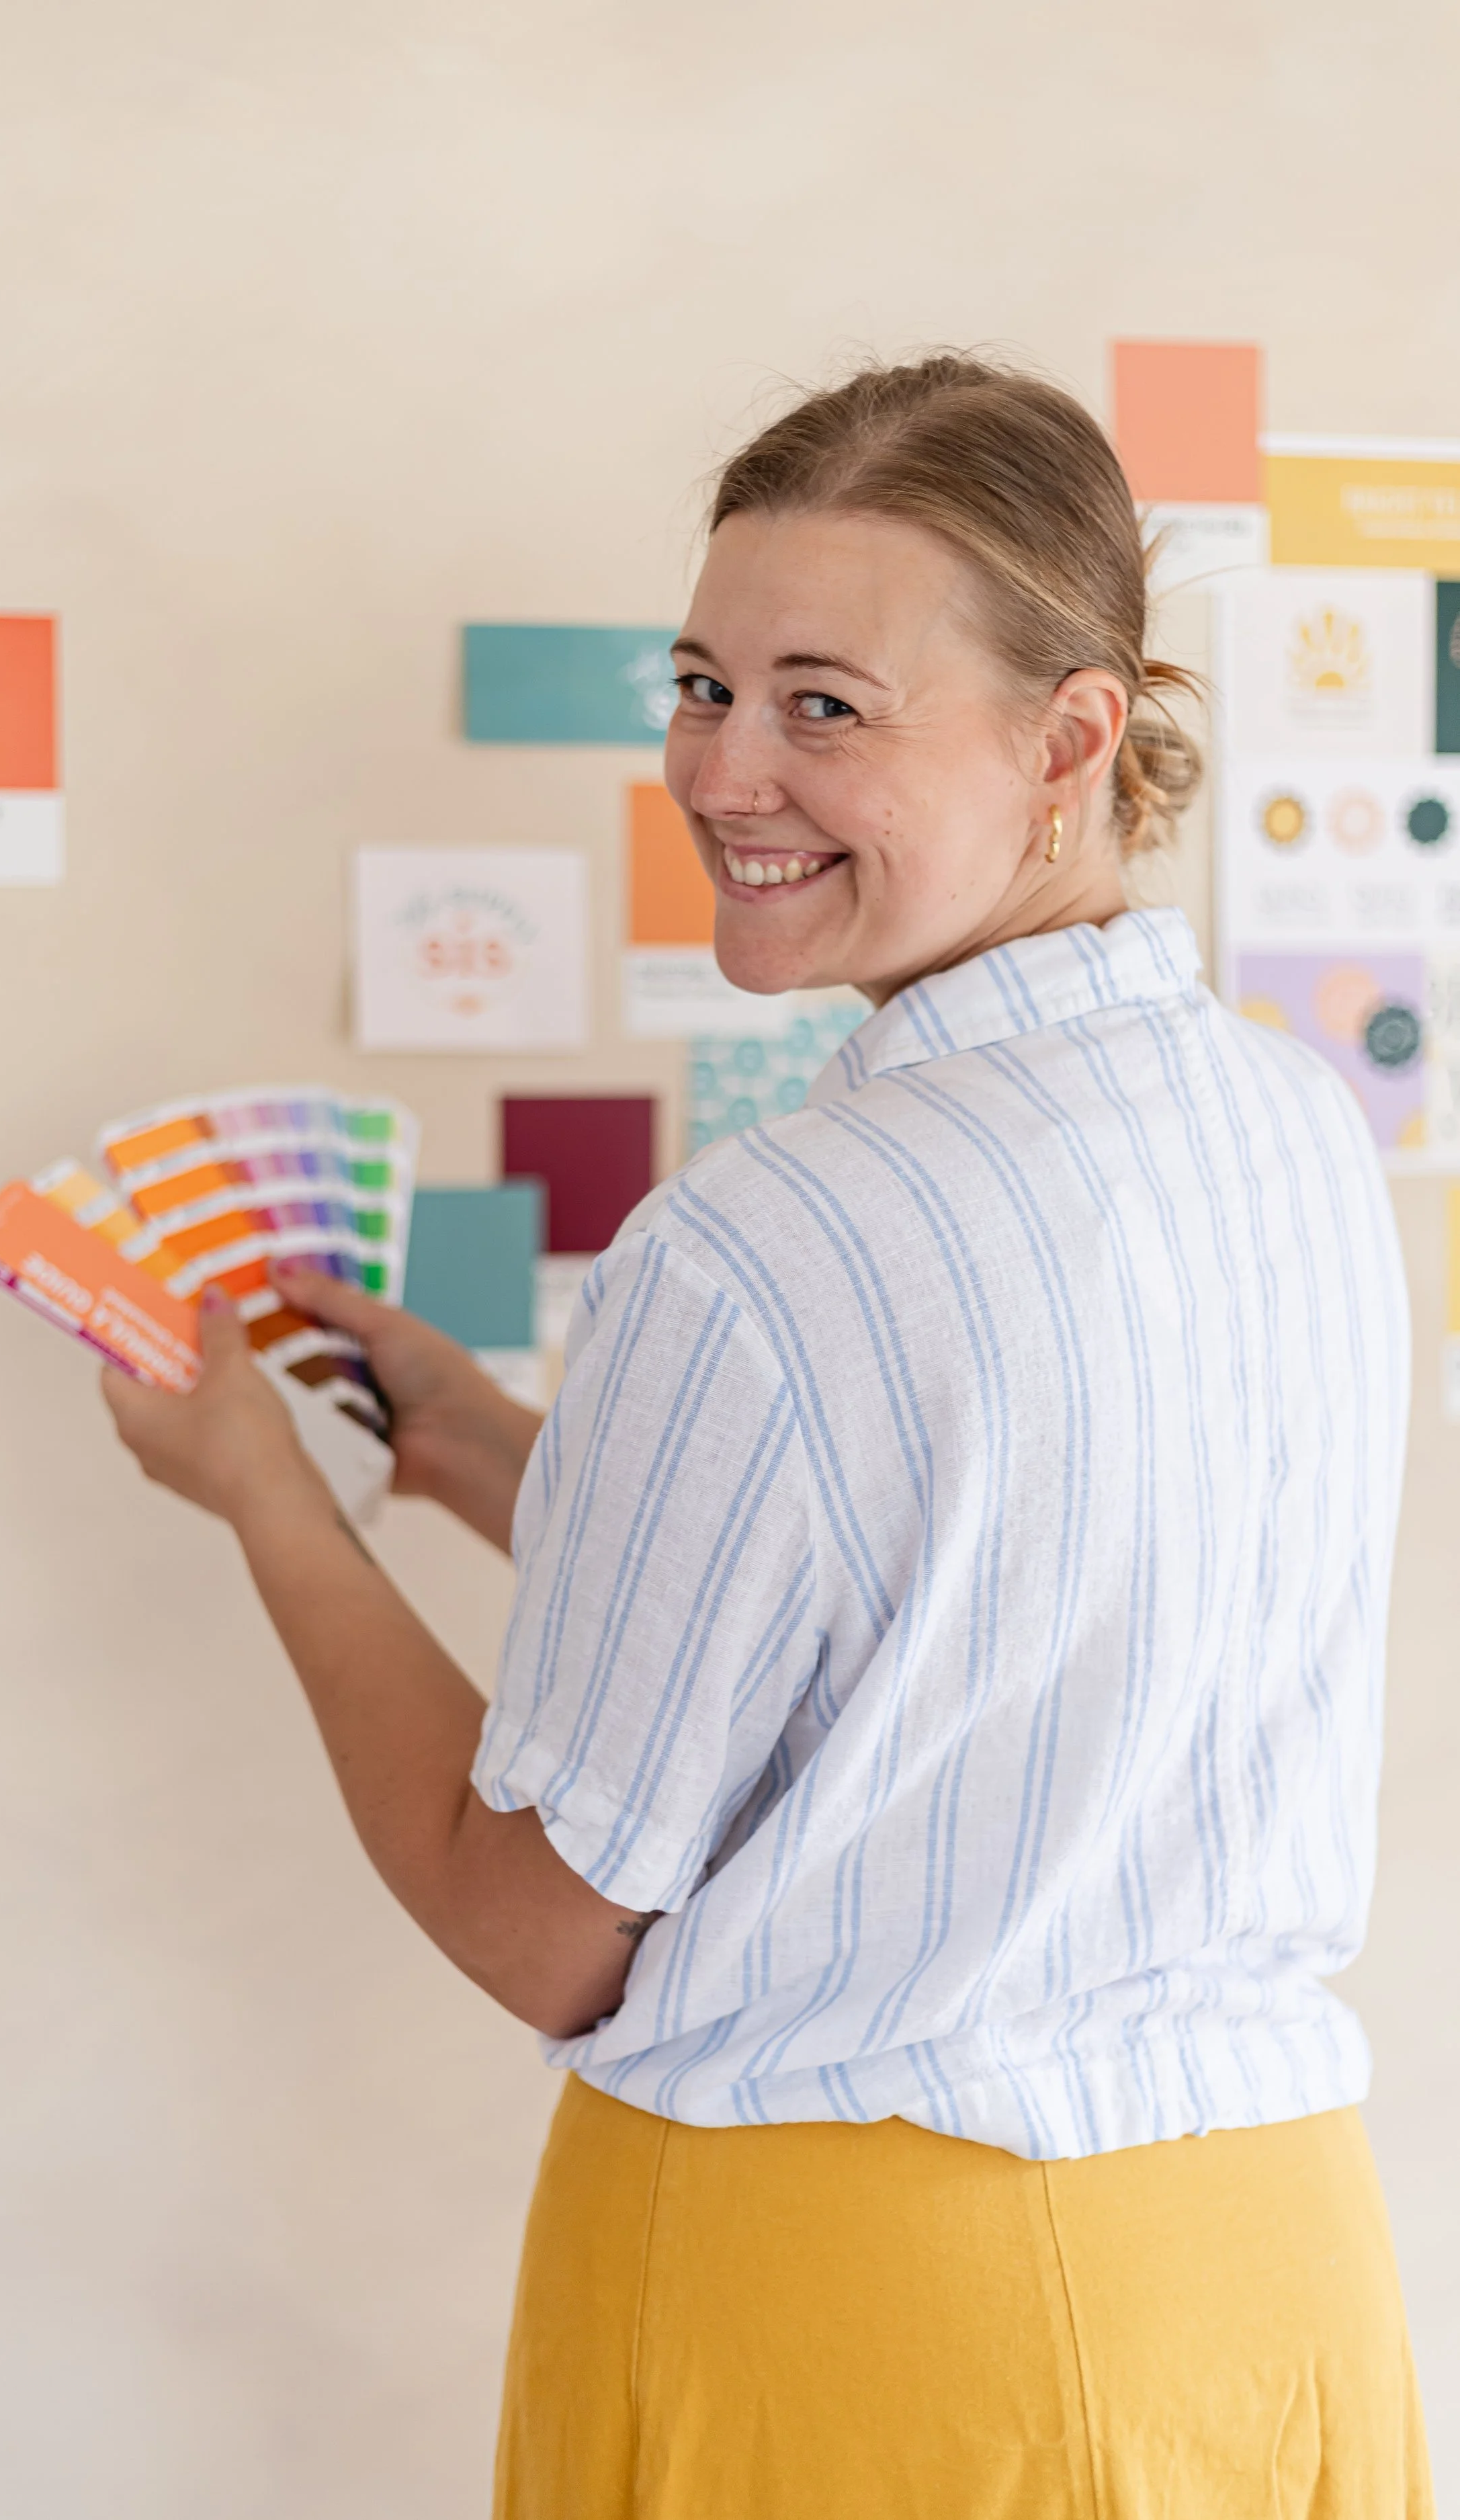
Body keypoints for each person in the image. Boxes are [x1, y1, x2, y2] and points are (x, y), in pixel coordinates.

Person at [103, 354, 1432, 2517]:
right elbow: (958, 1625)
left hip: (876, 2322)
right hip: (1264, 2282)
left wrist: (275, 1506)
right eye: (702, 683)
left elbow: (537, 1921)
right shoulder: (1287, 1124)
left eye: (825, 704)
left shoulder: (757, 1245)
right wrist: (482, 1453)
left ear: (1071, 737)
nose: (724, 769)